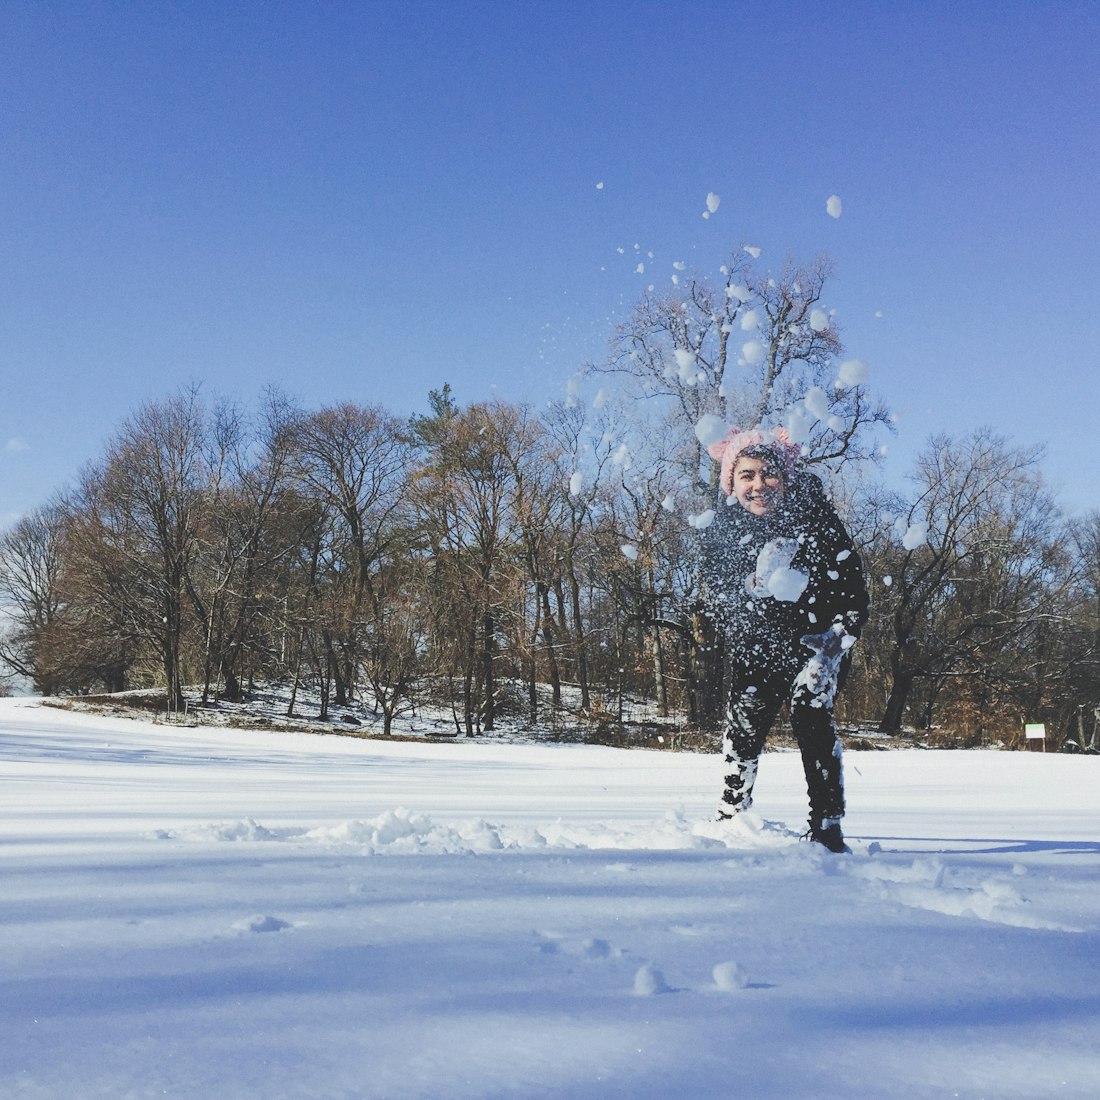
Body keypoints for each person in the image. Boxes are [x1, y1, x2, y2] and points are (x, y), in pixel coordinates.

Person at [699, 427, 869, 852]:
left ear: (785, 478)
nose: (758, 484)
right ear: (732, 482)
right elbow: (716, 595)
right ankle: (732, 813)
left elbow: (853, 590)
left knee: (810, 709)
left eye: (769, 474)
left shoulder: (817, 519)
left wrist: (834, 644)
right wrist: (750, 585)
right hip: (759, 643)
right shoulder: (723, 529)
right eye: (747, 475)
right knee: (745, 720)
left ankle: (827, 825)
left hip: (820, 642)